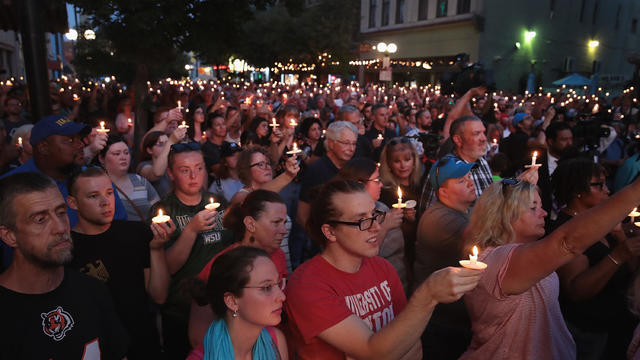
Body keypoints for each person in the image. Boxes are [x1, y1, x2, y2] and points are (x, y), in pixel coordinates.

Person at [286, 179, 484, 359]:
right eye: (362, 220)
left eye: (374, 215)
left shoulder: (382, 268)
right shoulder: (307, 286)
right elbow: (374, 351)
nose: (377, 228)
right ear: (330, 231)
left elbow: (413, 345)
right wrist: (428, 295)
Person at [460, 173, 640, 359]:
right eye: (533, 207)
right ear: (505, 216)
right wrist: (635, 191)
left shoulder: (523, 252)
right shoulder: (496, 261)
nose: (544, 213)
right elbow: (567, 243)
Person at [0, 172, 128, 359]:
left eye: (61, 213)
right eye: (40, 219)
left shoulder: (92, 290)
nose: (60, 227)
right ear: (9, 235)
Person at [66, 167, 172, 359]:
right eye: (93, 196)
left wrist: (156, 249)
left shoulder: (136, 232)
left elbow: (159, 296)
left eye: (109, 193)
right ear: (73, 203)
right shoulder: (66, 250)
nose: (105, 202)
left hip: (143, 344)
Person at [148, 141, 235, 360]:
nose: (194, 176)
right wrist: (191, 230)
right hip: (181, 312)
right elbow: (166, 267)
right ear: (170, 173)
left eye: (199, 168)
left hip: (221, 308)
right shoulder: (164, 211)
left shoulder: (218, 204)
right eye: (185, 170)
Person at [550, 158, 639, 359]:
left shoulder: (601, 222)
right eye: (598, 185)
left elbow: (632, 271)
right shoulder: (569, 231)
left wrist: (620, 236)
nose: (607, 190)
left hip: (615, 326)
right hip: (588, 334)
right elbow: (576, 291)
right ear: (577, 190)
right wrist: (617, 256)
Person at [189, 190, 290, 347]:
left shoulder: (278, 256)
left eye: (284, 223)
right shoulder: (225, 264)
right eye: (276, 223)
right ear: (250, 224)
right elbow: (198, 335)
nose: (284, 230)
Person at [1, 114, 128, 227]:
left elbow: (119, 227)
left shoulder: (94, 178)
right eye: (70, 140)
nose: (80, 145)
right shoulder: (10, 187)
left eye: (79, 139)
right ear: (44, 147)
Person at [414, 154, 476, 360]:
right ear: (443, 191)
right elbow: (486, 239)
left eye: (469, 176)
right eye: (461, 180)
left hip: (458, 317)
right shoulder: (439, 219)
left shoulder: (465, 210)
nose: (470, 182)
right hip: (443, 323)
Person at [185, 247, 288, 360]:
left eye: (278, 283)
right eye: (266, 287)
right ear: (232, 301)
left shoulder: (275, 340)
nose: (282, 297)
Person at [336, 158, 407, 290]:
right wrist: (384, 227)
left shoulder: (381, 208)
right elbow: (363, 259)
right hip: (374, 287)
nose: (381, 185)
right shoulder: (348, 219)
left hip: (397, 281)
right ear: (360, 185)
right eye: (377, 180)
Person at [418, 115, 493, 215]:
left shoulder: (482, 162)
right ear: (458, 140)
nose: (483, 138)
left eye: (484, 132)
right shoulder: (444, 170)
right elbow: (429, 215)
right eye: (476, 134)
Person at [100, 135, 160, 221]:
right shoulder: (99, 185)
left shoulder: (140, 181)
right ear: (102, 158)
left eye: (126, 153)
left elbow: (158, 208)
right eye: (117, 154)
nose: (123, 157)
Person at [137, 128, 186, 198]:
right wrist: (170, 141)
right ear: (149, 150)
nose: (166, 147)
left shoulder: (173, 164)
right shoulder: (143, 165)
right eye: (161, 144)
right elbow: (156, 173)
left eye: (167, 143)